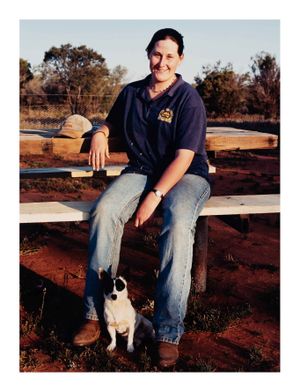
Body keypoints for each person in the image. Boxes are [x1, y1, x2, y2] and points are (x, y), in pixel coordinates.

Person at [72, 28, 211, 368]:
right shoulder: (132, 92)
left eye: (169, 56)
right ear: (148, 53)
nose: (161, 62)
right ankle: (93, 315)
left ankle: (167, 332)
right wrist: (101, 132)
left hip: (186, 175)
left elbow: (183, 158)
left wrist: (154, 196)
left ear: (180, 59)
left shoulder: (188, 99)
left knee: (178, 226)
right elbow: (111, 121)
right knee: (104, 211)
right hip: (142, 170)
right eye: (156, 54)